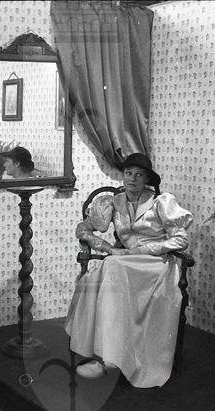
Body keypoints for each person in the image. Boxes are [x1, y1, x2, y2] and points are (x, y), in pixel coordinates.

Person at [66, 153, 193, 388]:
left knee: (110, 266)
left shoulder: (160, 202)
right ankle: (107, 355)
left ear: (147, 179)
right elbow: (84, 228)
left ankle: (109, 360)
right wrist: (108, 248)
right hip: (123, 263)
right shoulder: (114, 202)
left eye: (139, 175)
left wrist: (141, 250)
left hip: (155, 264)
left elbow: (180, 240)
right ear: (122, 176)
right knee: (109, 268)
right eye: (128, 173)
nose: (132, 179)